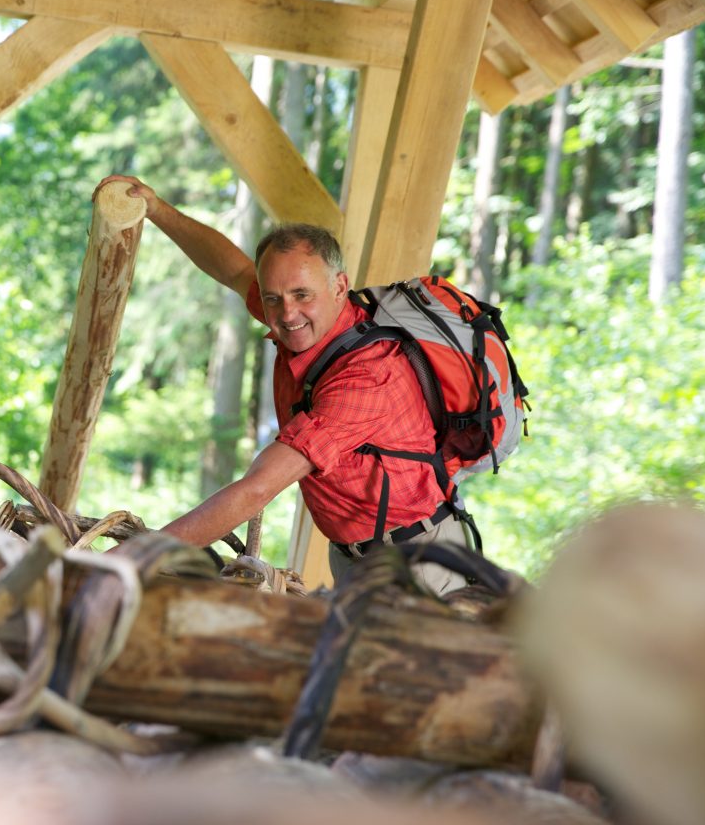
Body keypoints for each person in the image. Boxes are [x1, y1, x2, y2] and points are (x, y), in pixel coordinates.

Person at [97, 176, 468, 594]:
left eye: (301, 295)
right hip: (354, 553)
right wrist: (158, 207)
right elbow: (234, 269)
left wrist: (127, 560)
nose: (287, 313)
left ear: (340, 287)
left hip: (416, 562)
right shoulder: (301, 315)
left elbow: (256, 489)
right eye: (273, 297)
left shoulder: (367, 376)